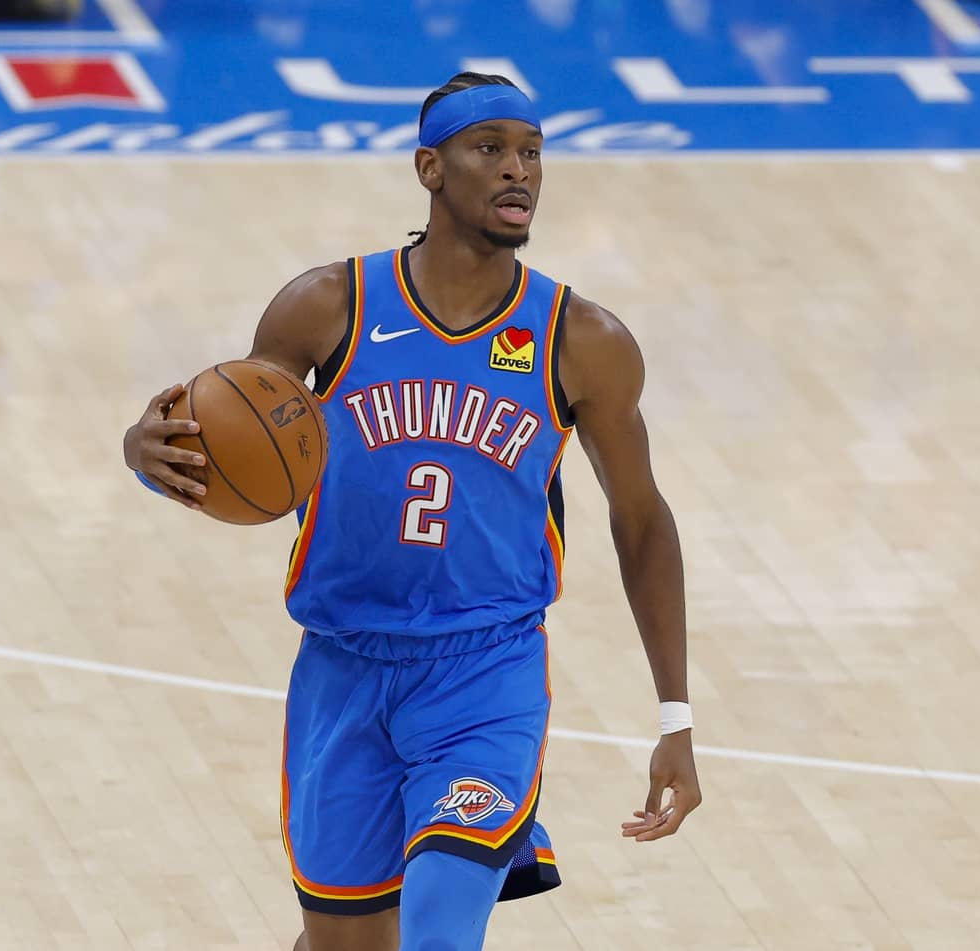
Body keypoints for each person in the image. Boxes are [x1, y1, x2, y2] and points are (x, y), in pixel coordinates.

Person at [124, 72, 701, 951]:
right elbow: (225, 441)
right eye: (490, 149)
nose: (517, 170)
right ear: (430, 168)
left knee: (437, 927)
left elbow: (642, 520)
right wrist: (144, 453)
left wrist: (674, 717)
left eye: (532, 152)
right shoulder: (330, 305)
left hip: (486, 670)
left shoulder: (580, 339)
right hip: (344, 665)